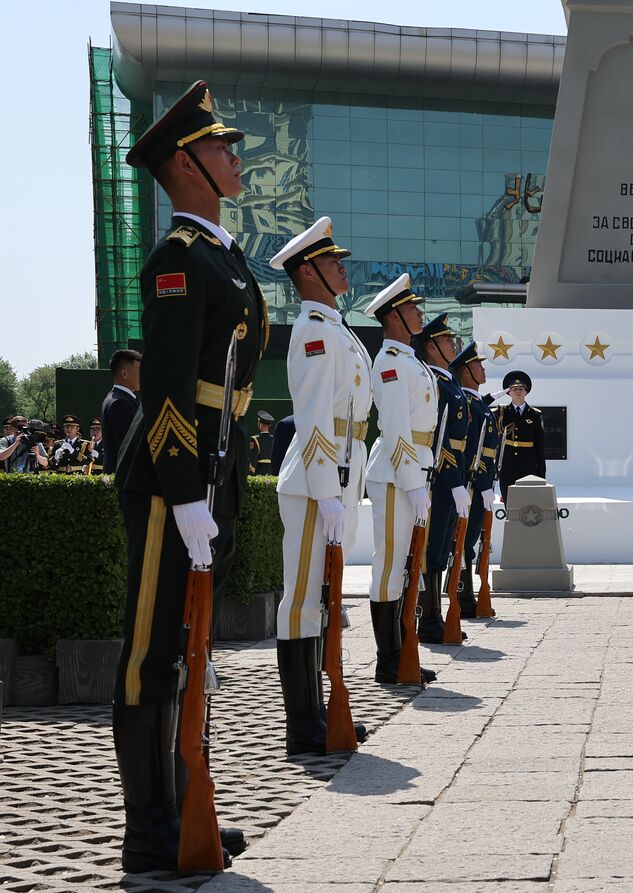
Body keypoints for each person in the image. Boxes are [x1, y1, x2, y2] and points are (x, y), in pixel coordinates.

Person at [113, 80, 260, 871]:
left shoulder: (222, 256)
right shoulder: (178, 259)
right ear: (186, 163)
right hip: (175, 479)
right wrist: (186, 493)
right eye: (222, 146)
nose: (235, 157)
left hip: (211, 469)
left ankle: (183, 804)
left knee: (186, 647)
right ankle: (147, 830)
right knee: (150, 653)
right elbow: (168, 385)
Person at [269, 216, 372, 754]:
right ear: (308, 272)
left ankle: (320, 713)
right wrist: (326, 489)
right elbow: (311, 420)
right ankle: (302, 724)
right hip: (315, 482)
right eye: (332, 261)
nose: (341, 267)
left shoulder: (334, 326)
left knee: (324, 597)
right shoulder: (313, 330)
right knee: (303, 599)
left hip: (338, 476)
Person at [364, 274, 437, 685]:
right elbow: (394, 429)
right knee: (390, 565)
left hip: (412, 471)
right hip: (395, 475)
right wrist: (411, 480)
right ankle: (388, 659)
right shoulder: (391, 362)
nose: (420, 313)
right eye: (413, 308)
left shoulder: (408, 360)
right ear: (395, 316)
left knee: (407, 566)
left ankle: (403, 650)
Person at [412, 313, 471, 644]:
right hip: (438, 478)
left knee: (441, 548)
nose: (453, 345)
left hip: (453, 478)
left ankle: (436, 616)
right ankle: (429, 618)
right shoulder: (433, 383)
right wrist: (452, 480)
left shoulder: (447, 381)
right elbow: (439, 440)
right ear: (431, 346)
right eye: (448, 340)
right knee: (430, 549)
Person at [449, 340, 500, 617]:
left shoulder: (477, 404)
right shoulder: (469, 405)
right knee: (464, 544)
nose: (482, 369)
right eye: (477, 364)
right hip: (472, 486)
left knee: (470, 544)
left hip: (480, 486)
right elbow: (471, 452)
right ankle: (463, 599)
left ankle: (467, 597)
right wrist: (482, 486)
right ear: (466, 371)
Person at [493, 370, 547, 505]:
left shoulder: (535, 415)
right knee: (510, 506)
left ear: (526, 392)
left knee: (528, 505)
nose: (518, 391)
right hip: (507, 467)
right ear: (508, 392)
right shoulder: (501, 413)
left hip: (528, 467)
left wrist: (541, 475)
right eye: (514, 389)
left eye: (521, 389)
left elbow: (540, 447)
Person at [101, 349, 142, 474]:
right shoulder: (120, 403)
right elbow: (129, 447)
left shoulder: (116, 398)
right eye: (139, 371)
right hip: (126, 479)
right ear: (124, 374)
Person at [248, 410, 275, 475]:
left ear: (260, 424)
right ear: (269, 426)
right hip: (271, 470)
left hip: (259, 470)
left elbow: (253, 456)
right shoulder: (274, 438)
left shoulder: (254, 439)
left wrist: (251, 470)